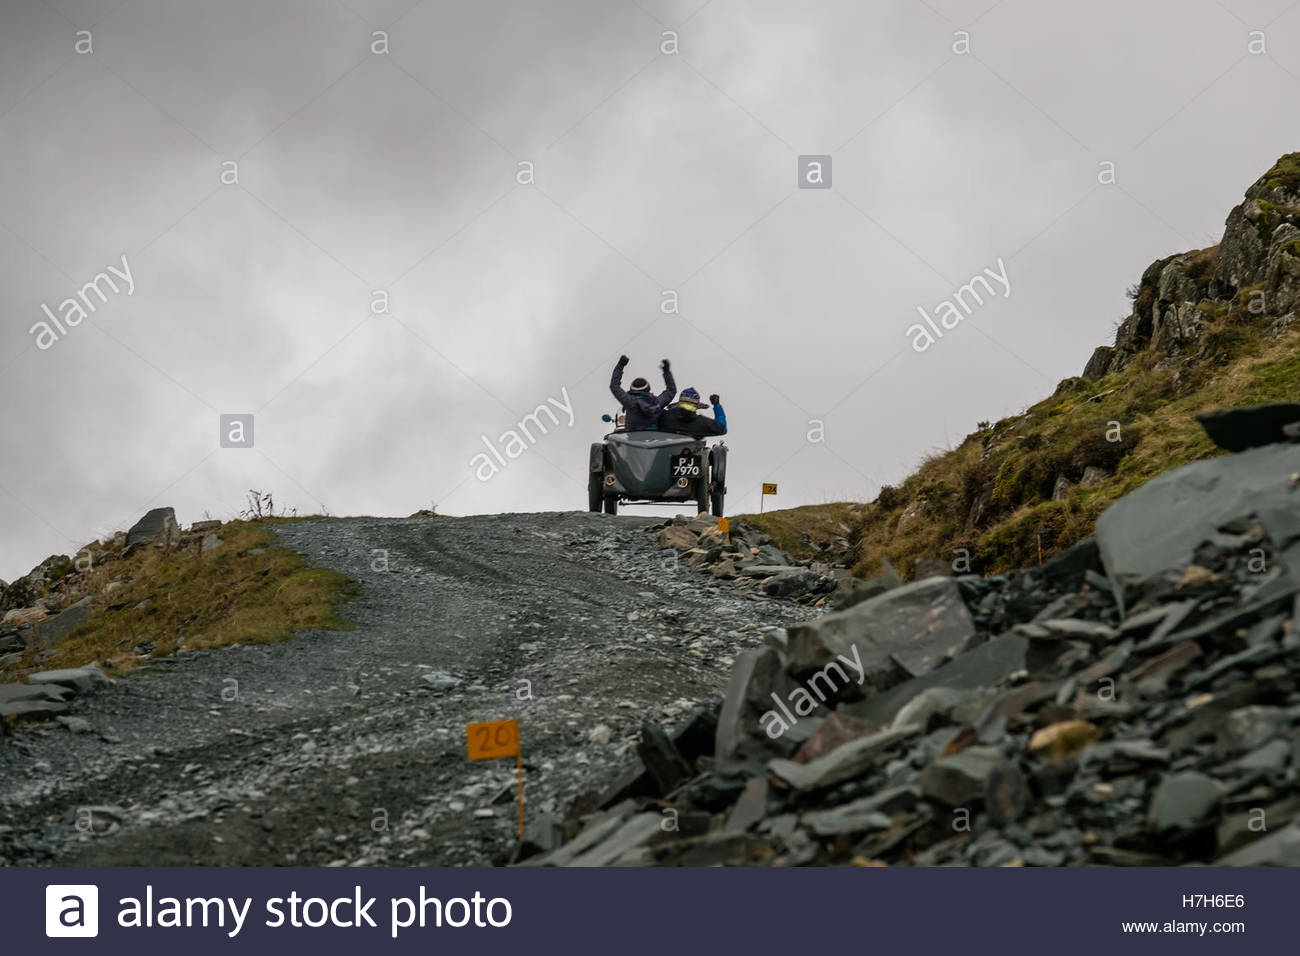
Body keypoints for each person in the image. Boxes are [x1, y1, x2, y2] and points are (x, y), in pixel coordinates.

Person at [610, 355, 675, 430]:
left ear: (632, 389)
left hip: (631, 440)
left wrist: (620, 365)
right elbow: (671, 390)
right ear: (648, 388)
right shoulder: (657, 403)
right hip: (655, 440)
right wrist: (667, 372)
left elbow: (614, 386)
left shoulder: (629, 402)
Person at [658, 388, 726, 438]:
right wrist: (717, 406)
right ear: (696, 405)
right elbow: (722, 429)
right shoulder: (702, 423)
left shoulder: (664, 416)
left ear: (680, 401)